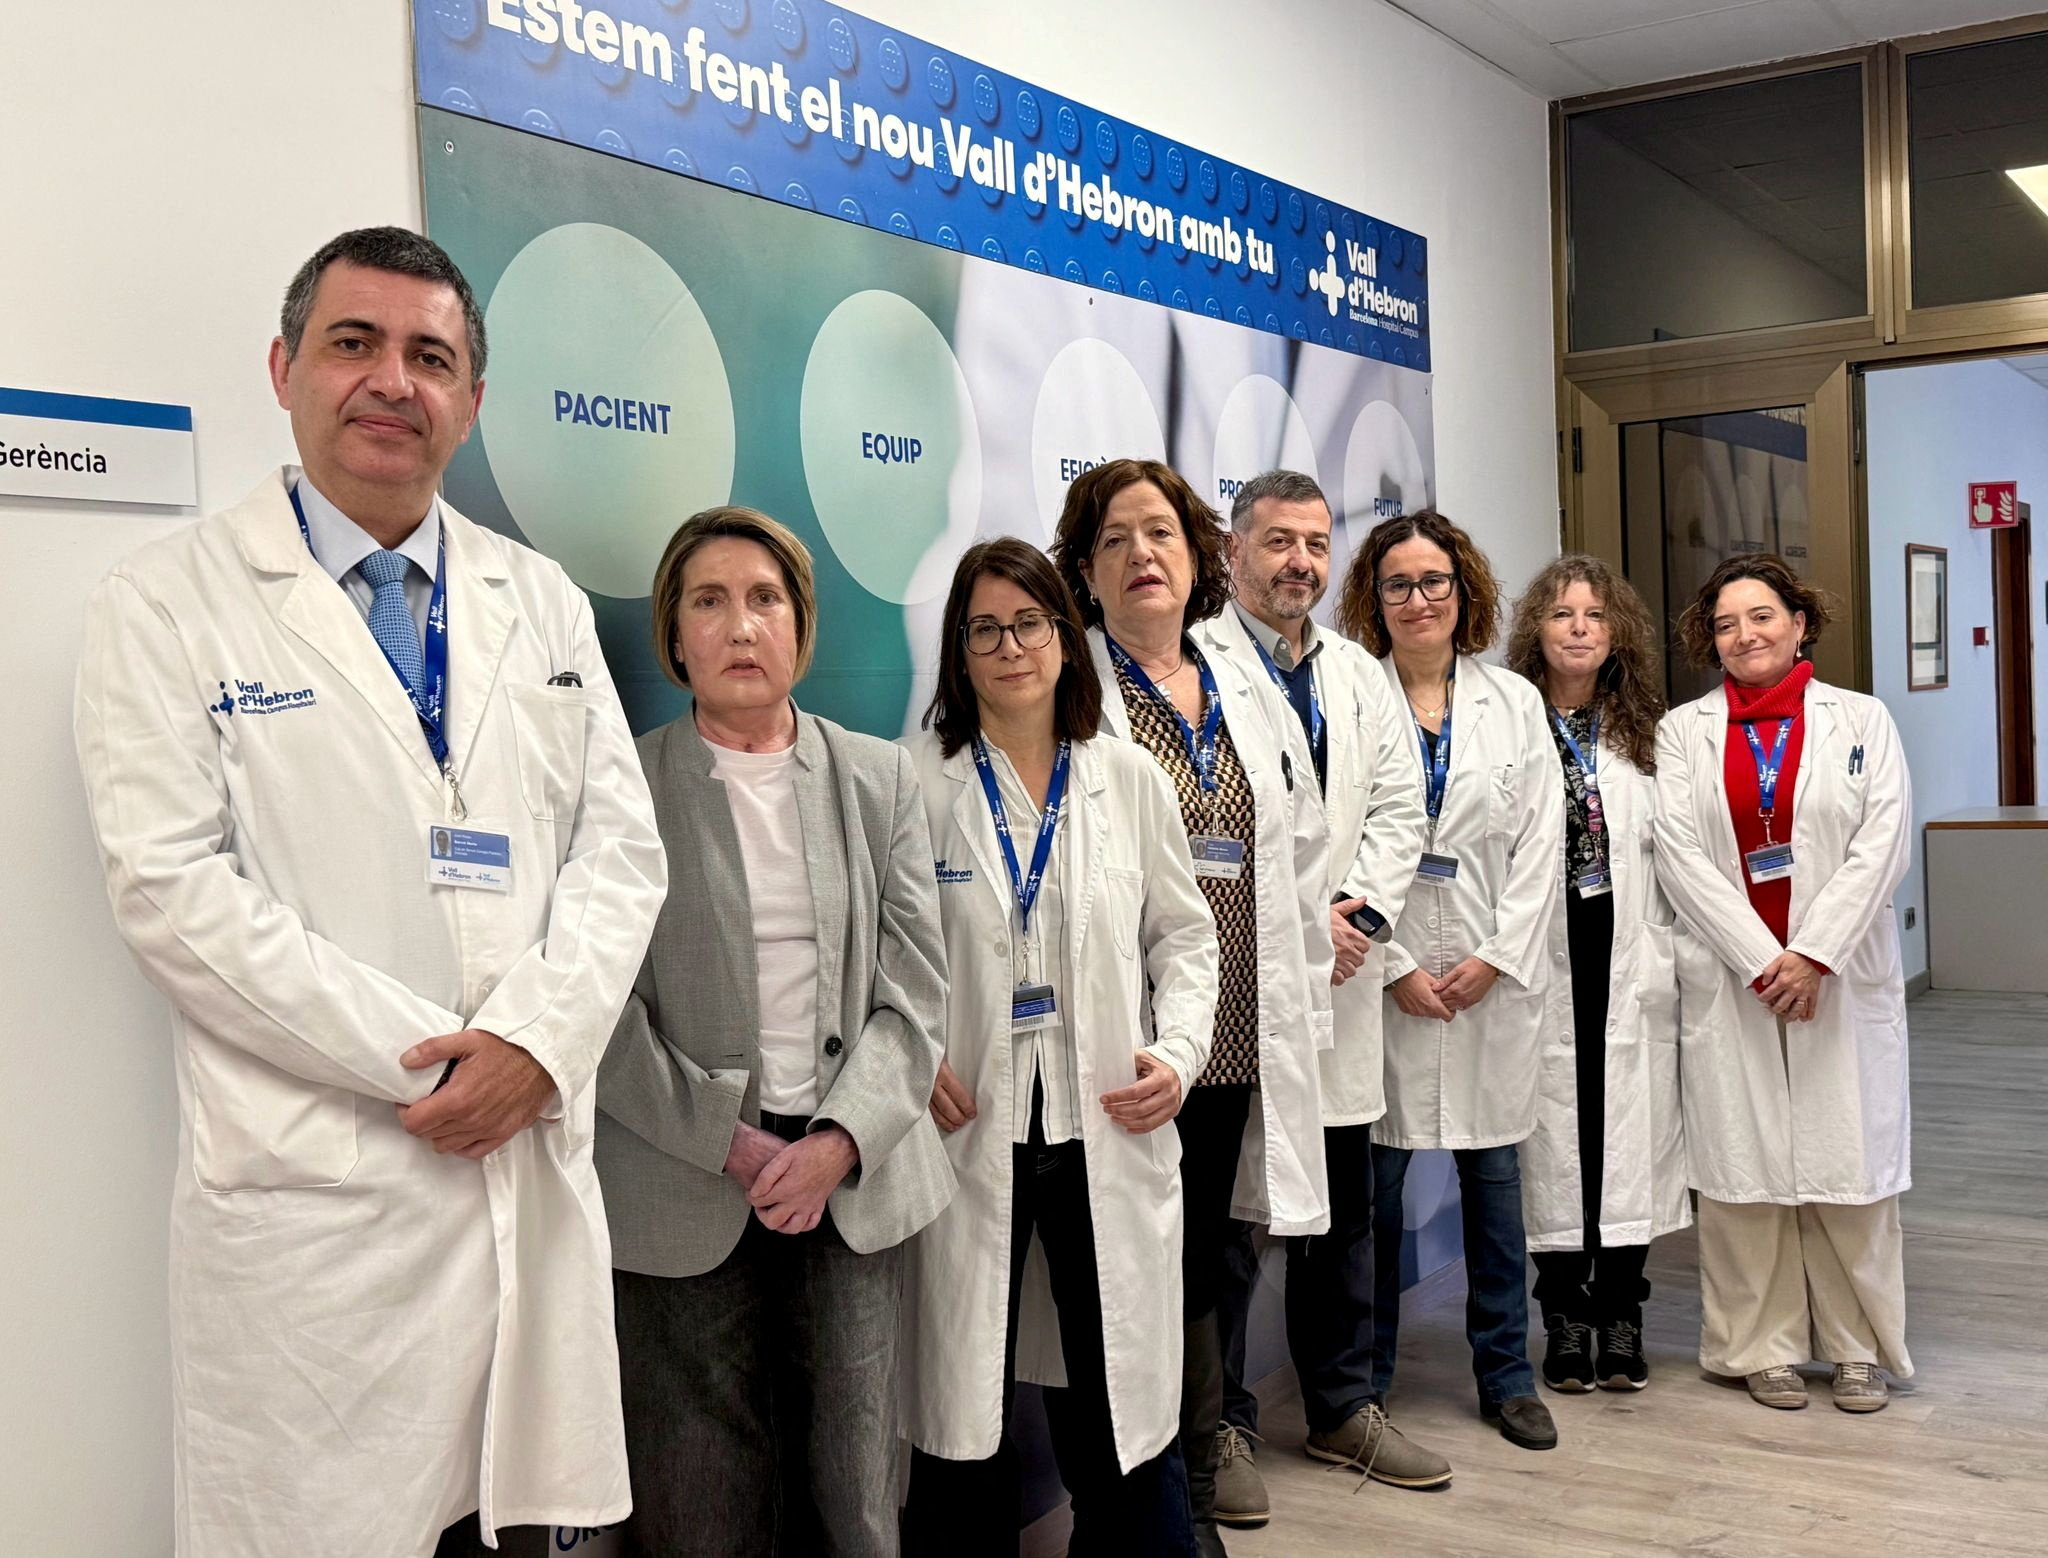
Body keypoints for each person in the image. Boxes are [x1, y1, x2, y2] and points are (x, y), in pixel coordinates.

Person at [73, 227, 667, 1558]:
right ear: (285, 369)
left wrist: (535, 1044)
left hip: (523, 1170)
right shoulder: (168, 603)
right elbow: (171, 889)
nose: (394, 380)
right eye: (355, 343)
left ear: (472, 400)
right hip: (323, 1214)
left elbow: (620, 855)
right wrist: (434, 1063)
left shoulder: (543, 599)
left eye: (431, 355)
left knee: (517, 1529)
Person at [595, 506, 953, 1555]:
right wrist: (733, 1140)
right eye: (708, 601)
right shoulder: (620, 786)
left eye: (764, 599)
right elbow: (595, 1006)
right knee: (697, 1489)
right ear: (673, 634)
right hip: (682, 1178)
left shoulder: (875, 778)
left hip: (849, 1178)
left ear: (801, 628)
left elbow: (915, 997)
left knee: (855, 1485)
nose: (739, 625)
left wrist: (836, 1140)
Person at [900, 538, 1217, 1557]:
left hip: (1103, 1127)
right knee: (961, 1418)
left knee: (1119, 1406)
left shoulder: (1125, 779)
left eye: (1028, 622)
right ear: (957, 651)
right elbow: (876, 956)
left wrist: (1175, 1050)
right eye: (983, 628)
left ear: (1062, 638)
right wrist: (911, 1061)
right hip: (968, 1132)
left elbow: (1186, 934)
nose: (1008, 647)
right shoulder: (912, 782)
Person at [1051, 458, 1332, 1557]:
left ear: (1197, 553)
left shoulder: (1234, 677)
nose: (1141, 555)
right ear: (1085, 569)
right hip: (1132, 1040)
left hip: (1235, 1030)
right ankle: (1153, 1514)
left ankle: (1195, 1489)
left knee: (1209, 1263)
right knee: (1134, 1282)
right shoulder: (1074, 684)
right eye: (1113, 539)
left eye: (1159, 532)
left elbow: (1292, 834)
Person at [1202, 472, 1447, 1523]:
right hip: (1234, 992)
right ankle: (1216, 1423)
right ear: (1232, 551)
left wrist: (1362, 913)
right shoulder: (1194, 667)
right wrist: (1305, 928)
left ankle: (1342, 1403)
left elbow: (1399, 803)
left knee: (1341, 1212)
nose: (1299, 560)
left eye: (1314, 542)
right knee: (1227, 1222)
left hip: (1340, 984)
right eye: (1276, 542)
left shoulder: (1354, 671)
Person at [1655, 554, 1912, 1414]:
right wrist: (1762, 959)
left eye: (1761, 616)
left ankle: (1857, 1347)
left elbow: (1884, 844)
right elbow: (1681, 856)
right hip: (1738, 979)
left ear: (1800, 623)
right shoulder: (1682, 731)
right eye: (1726, 624)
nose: (1745, 635)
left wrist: (1815, 954)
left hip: (1834, 977)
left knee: (1848, 1161)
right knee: (1742, 1164)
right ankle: (1756, 1345)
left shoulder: (1862, 721)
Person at [1332, 511, 1563, 1452]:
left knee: (1496, 1191)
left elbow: (1542, 845)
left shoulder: (1512, 703)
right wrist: (1390, 967)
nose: (1417, 599)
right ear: (1373, 600)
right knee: (1374, 1206)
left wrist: (1492, 960)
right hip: (1383, 985)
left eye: (1434, 582)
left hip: (1485, 984)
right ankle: (1367, 1384)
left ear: (1462, 593)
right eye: (1397, 584)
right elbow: (1332, 848)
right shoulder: (1352, 699)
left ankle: (1507, 1375)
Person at [1505, 555, 1689, 1394]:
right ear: (1534, 630)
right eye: (1560, 613)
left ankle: (1622, 1314)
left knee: (1625, 1138)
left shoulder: (1655, 734)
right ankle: (1564, 1319)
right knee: (1553, 1142)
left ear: (1617, 633)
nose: (1578, 627)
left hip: (1627, 954)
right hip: (1540, 956)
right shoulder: (1505, 724)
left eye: (1594, 615)